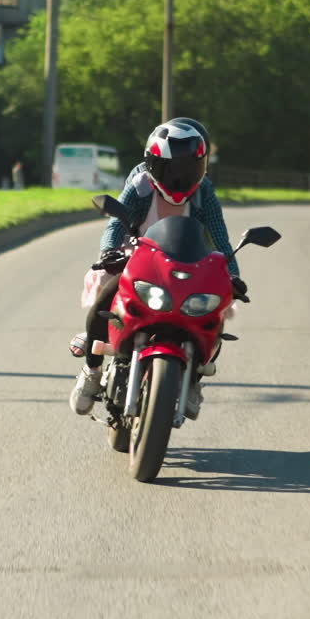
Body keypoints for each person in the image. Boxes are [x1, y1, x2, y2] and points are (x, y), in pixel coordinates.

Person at [69, 117, 248, 416]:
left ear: (202, 167)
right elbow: (116, 223)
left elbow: (219, 237)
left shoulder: (205, 192)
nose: (179, 178)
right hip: (138, 256)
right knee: (105, 298)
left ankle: (194, 380)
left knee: (215, 311)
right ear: (152, 164)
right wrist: (109, 252)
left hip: (187, 261)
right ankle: (92, 371)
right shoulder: (140, 185)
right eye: (171, 169)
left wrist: (233, 275)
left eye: (189, 169)